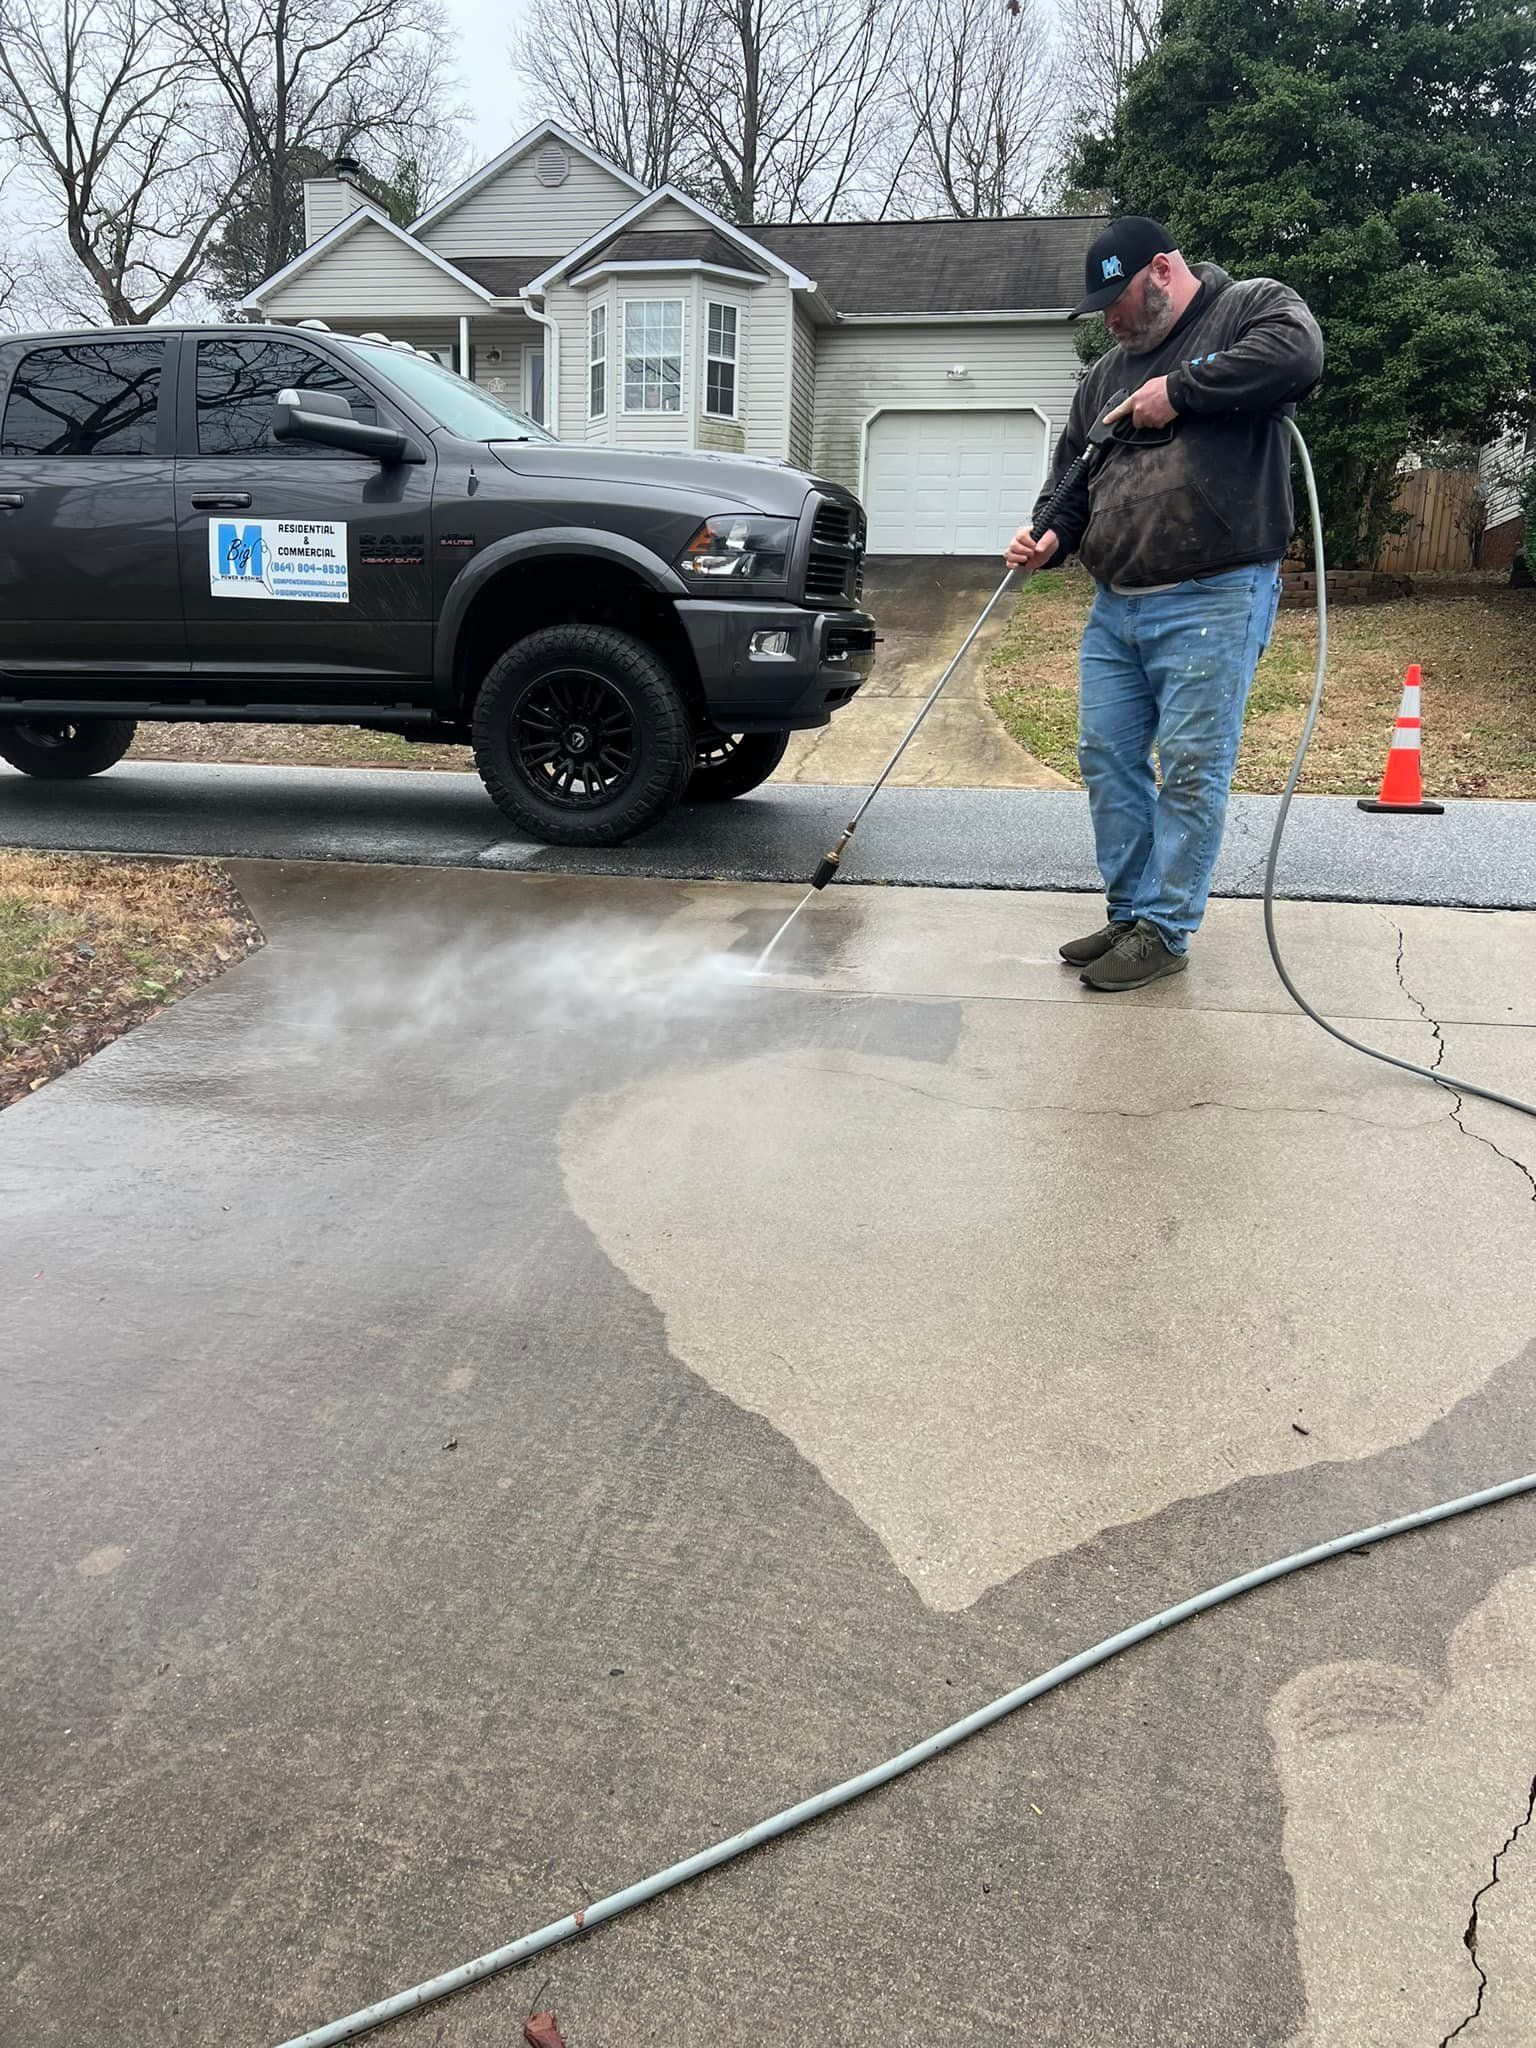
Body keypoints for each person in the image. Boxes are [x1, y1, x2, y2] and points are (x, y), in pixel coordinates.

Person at [1006, 216, 1324, 990]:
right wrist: (1049, 534)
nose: (1109, 318)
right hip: (1117, 603)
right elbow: (1071, 478)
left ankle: (1167, 930)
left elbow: (1298, 355)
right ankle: (1131, 914)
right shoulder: (1105, 376)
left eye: (1115, 299)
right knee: (1108, 758)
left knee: (1189, 768)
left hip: (1215, 590)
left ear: (1160, 269)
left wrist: (1180, 391)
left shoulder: (1247, 306)